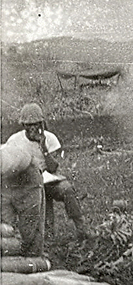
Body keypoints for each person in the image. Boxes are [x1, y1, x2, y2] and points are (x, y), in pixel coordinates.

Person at [7, 103, 94, 241]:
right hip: (29, 183)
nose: (33, 128)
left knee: (67, 190)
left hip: (49, 179)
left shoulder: (50, 138)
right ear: (23, 125)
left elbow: (54, 167)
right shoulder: (15, 141)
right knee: (46, 228)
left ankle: (81, 227)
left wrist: (44, 148)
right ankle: (46, 236)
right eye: (29, 125)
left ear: (42, 124)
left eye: (36, 124)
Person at [1, 139, 45, 256]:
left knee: (29, 226)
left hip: (28, 175)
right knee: (6, 225)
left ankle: (33, 258)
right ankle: (12, 256)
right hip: (7, 179)